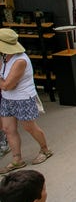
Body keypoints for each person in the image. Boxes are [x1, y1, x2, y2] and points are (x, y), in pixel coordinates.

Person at [0, 29, 53, 174]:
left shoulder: (20, 61)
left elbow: (7, 85)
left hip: (23, 98)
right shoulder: (4, 57)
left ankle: (45, 149)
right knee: (8, 129)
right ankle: (17, 159)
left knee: (29, 127)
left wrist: (3, 83)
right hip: (7, 98)